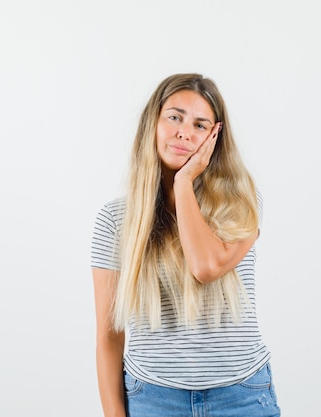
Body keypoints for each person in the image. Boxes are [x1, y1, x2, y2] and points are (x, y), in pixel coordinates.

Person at [90, 73, 280, 417]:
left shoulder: (241, 203)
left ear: (214, 138)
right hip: (153, 399)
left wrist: (183, 183)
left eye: (199, 125)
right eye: (175, 117)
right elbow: (109, 336)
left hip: (241, 397)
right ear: (154, 122)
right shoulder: (116, 220)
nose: (184, 132)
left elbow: (205, 267)